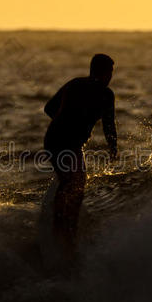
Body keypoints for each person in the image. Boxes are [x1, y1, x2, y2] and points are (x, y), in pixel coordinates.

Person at [43, 54, 118, 262]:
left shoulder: (75, 84)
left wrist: (65, 121)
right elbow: (109, 125)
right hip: (65, 143)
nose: (111, 77)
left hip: (53, 139)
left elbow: (49, 108)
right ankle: (63, 230)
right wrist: (113, 149)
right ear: (104, 73)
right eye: (110, 72)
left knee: (75, 181)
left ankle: (64, 228)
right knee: (73, 181)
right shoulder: (106, 94)